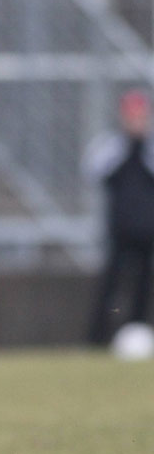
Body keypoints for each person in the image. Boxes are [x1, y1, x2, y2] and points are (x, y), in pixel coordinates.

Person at [85, 88, 154, 345]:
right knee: (110, 288)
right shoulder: (112, 146)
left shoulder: (150, 149)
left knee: (144, 288)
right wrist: (126, 144)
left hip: (148, 232)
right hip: (120, 230)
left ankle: (137, 335)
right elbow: (93, 170)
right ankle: (96, 340)